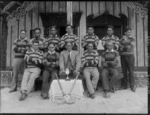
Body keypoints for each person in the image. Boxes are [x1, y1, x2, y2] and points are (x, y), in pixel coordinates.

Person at [119, 27, 136, 92]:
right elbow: (120, 49)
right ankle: (125, 85)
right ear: (125, 33)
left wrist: (124, 47)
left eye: (130, 32)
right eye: (128, 32)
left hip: (130, 56)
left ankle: (132, 86)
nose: (129, 33)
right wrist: (126, 46)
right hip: (123, 57)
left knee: (131, 71)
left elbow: (131, 46)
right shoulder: (121, 39)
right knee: (124, 71)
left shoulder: (132, 38)